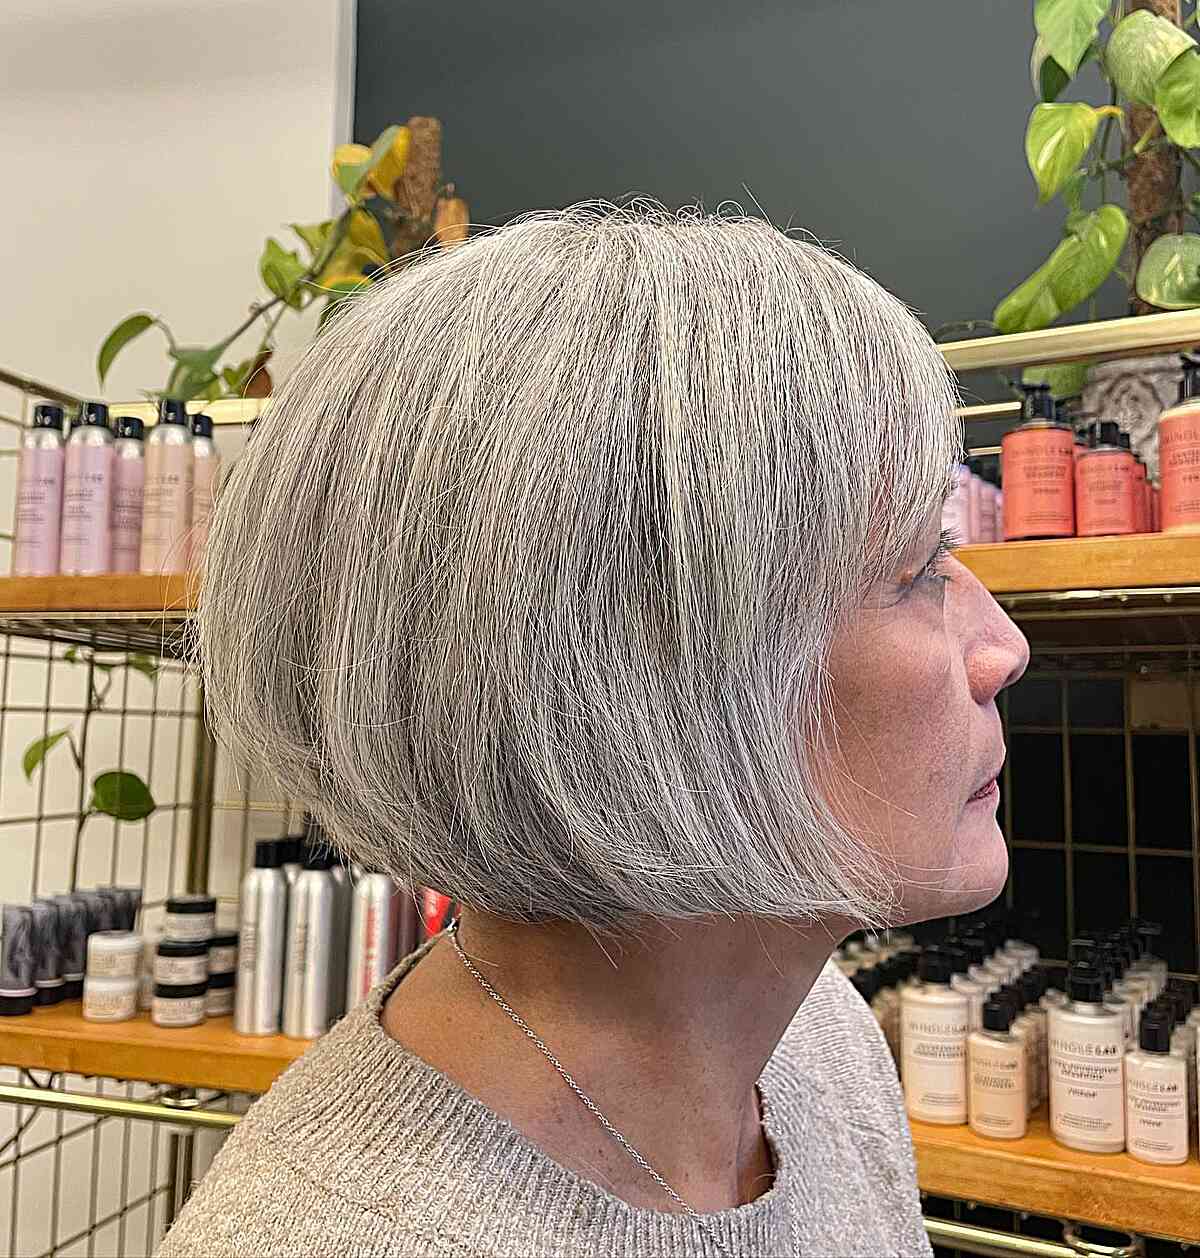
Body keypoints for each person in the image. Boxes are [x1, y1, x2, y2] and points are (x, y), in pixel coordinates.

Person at [161, 201, 1028, 1257]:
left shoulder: (818, 1043)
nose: (1004, 647)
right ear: (637, 678)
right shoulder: (325, 1236)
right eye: (919, 571)